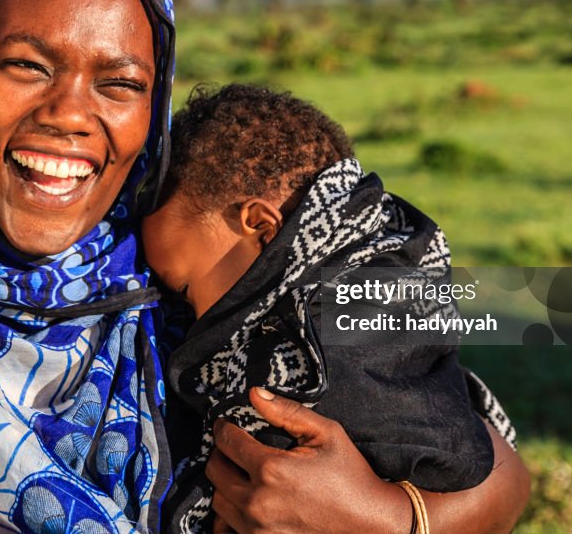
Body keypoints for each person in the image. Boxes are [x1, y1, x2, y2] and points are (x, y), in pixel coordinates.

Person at [0, 0, 527, 534]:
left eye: (120, 83)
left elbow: (498, 468)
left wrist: (389, 519)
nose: (70, 113)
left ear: (151, 110)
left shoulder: (190, 285)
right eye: (26, 66)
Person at [142, 85, 525, 533]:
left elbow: (455, 453)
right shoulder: (386, 269)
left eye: (185, 288)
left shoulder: (319, 341)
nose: (190, 317)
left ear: (262, 226)